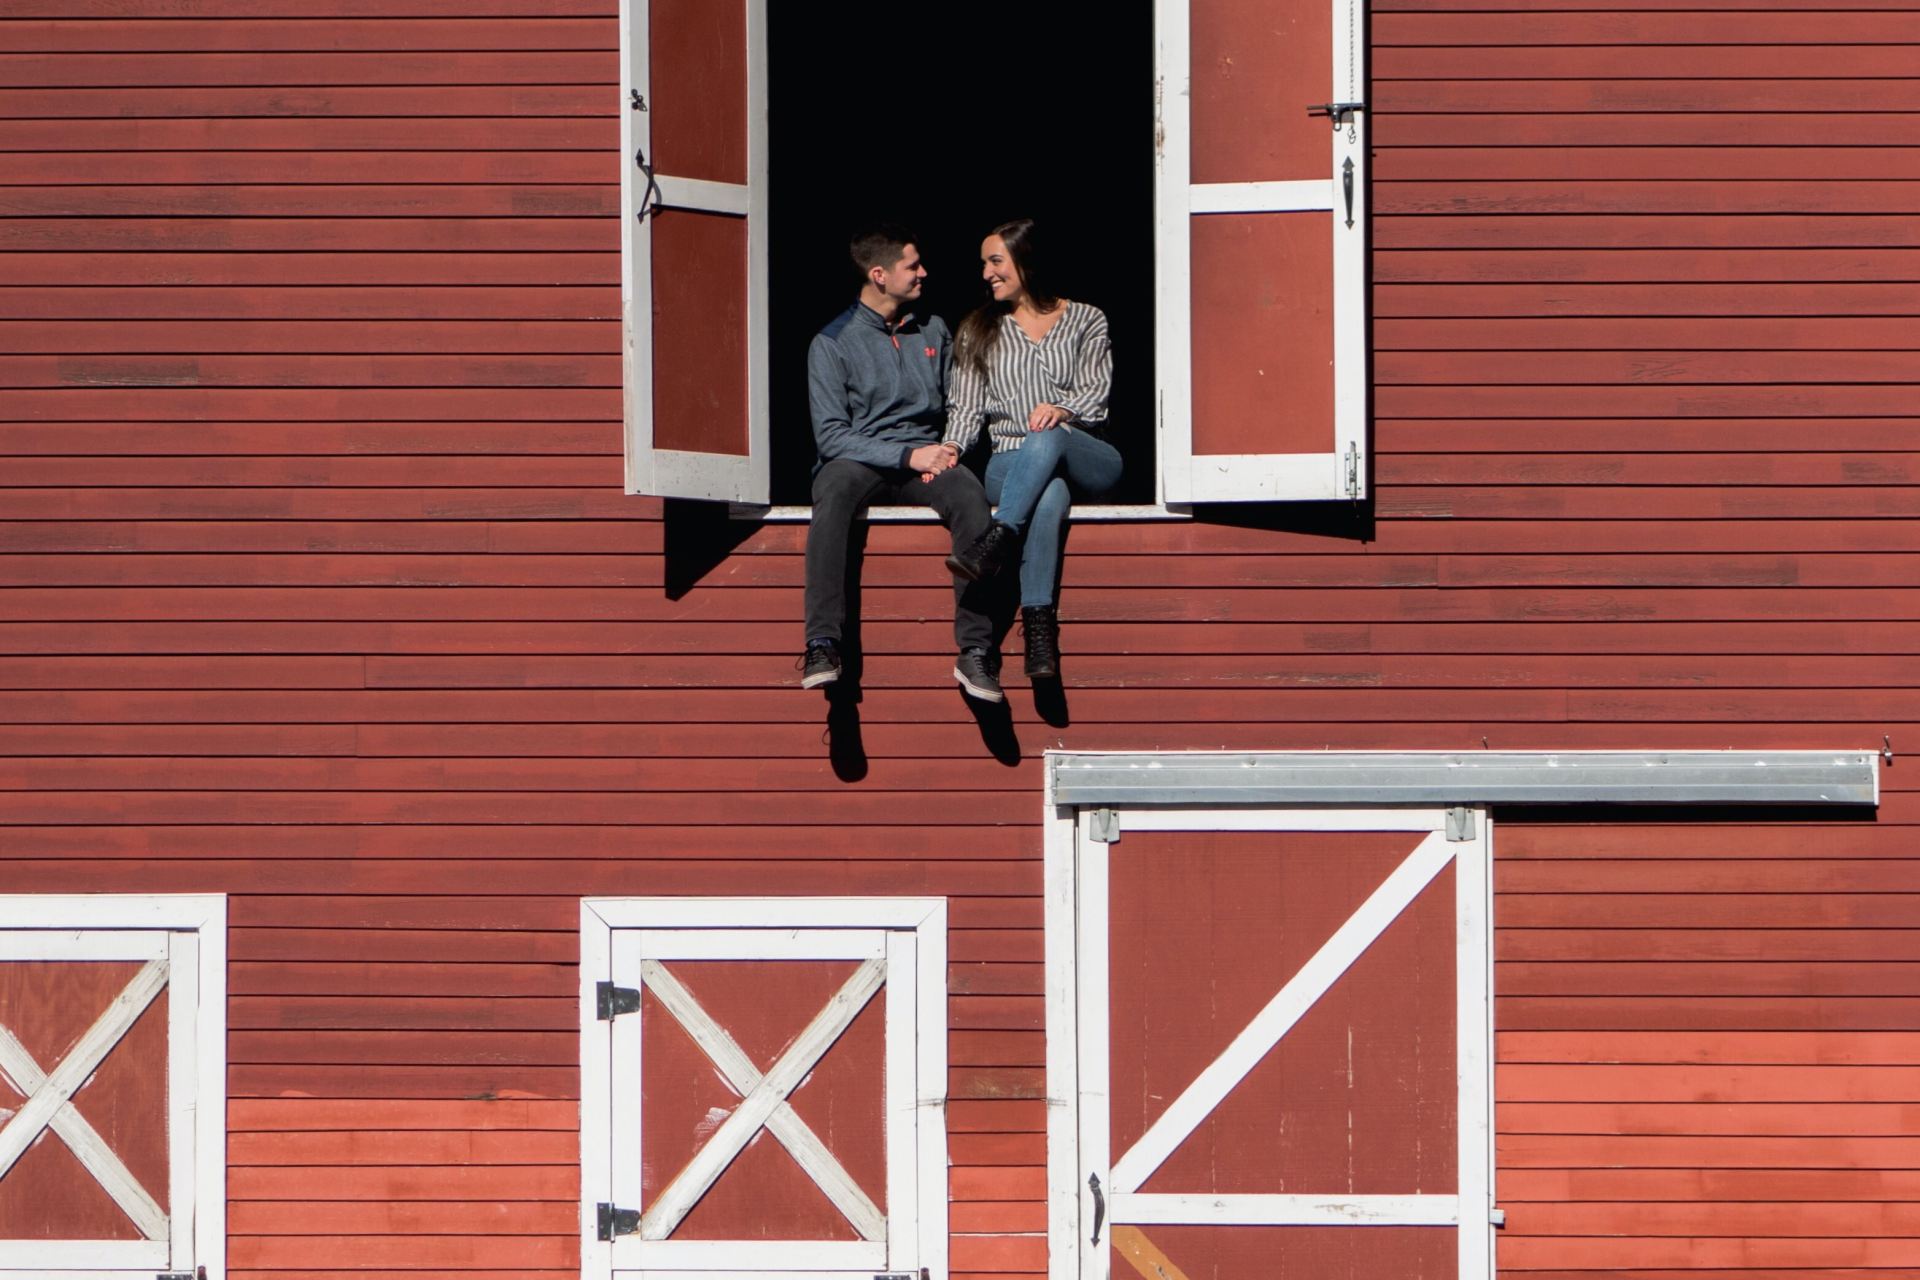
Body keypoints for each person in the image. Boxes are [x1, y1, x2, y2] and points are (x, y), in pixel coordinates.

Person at [800, 224, 1005, 702]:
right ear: (879, 275)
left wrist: (950, 448)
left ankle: (976, 651)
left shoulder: (932, 328)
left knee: (969, 493)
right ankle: (822, 643)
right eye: (912, 266)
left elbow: (962, 401)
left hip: (927, 459)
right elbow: (832, 435)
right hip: (858, 458)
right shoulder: (831, 343)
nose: (923, 273)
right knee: (831, 495)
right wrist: (906, 455)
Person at [940, 219, 1122, 680]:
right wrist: (950, 448)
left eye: (995, 261)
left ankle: (998, 538)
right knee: (1050, 492)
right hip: (1010, 462)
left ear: (1026, 260)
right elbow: (966, 408)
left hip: (1084, 451)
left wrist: (1060, 411)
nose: (986, 273)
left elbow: (1096, 397)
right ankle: (1039, 630)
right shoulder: (976, 330)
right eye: (983, 264)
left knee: (1047, 436)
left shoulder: (1087, 318)